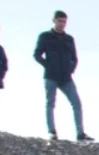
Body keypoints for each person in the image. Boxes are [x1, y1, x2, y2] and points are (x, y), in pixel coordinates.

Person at [34, 11, 92, 142]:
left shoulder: (69, 39)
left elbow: (74, 58)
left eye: (64, 22)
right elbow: (37, 55)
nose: (62, 24)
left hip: (66, 78)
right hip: (51, 76)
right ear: (54, 21)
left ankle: (80, 133)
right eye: (59, 21)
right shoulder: (45, 36)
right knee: (50, 103)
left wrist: (71, 70)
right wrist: (48, 65)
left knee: (76, 103)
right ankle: (52, 132)